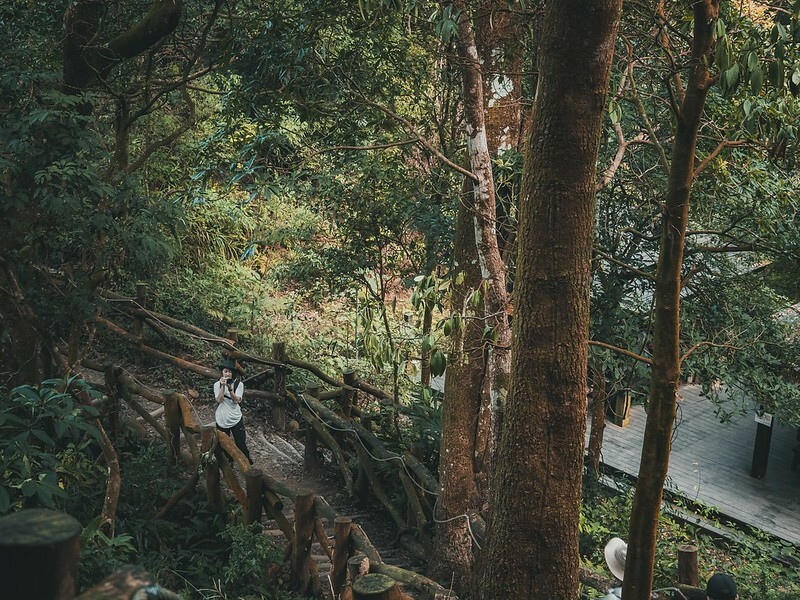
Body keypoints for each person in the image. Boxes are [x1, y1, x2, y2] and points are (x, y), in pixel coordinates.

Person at [214, 358, 252, 464]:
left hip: (235, 418)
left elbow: (236, 401)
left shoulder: (239, 384)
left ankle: (247, 462)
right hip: (222, 418)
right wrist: (222, 386)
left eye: (230, 372)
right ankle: (229, 462)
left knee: (240, 443)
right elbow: (219, 400)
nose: (228, 374)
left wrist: (230, 389)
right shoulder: (217, 385)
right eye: (226, 371)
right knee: (224, 443)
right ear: (222, 372)